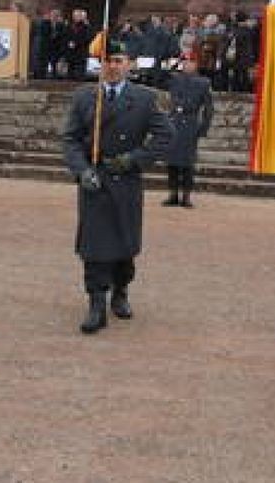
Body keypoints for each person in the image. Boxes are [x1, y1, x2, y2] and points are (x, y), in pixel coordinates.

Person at [61, 38, 171, 335]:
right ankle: (96, 304)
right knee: (94, 247)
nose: (112, 66)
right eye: (108, 60)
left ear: (129, 65)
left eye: (119, 60)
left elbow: (165, 136)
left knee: (124, 245)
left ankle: (121, 290)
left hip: (125, 181)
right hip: (94, 181)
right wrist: (81, 170)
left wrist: (134, 159)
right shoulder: (85, 97)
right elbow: (70, 139)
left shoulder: (145, 99)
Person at [162, 51, 213, 209]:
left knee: (187, 163)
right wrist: (176, 63)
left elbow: (209, 108)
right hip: (174, 122)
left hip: (190, 122)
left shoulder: (203, 82)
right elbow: (160, 76)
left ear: (196, 64)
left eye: (190, 62)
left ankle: (186, 196)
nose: (187, 65)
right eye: (185, 62)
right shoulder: (175, 79)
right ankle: (173, 194)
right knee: (172, 161)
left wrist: (203, 127)